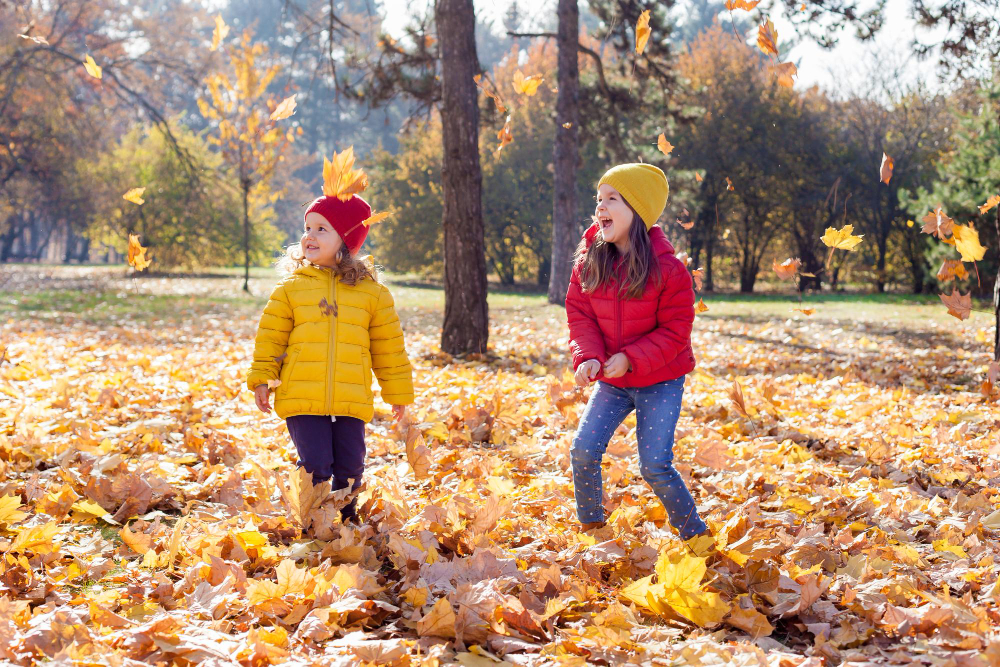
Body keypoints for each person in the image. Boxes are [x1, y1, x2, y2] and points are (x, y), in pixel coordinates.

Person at [565, 163, 709, 545]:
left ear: (638, 211)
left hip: (660, 380)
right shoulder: (589, 261)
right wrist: (588, 357)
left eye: (613, 199)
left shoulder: (670, 270)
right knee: (582, 451)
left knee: (655, 465)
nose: (601, 207)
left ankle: (695, 535)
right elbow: (579, 316)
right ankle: (594, 530)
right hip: (613, 381)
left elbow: (676, 331)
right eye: (599, 199)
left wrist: (630, 357)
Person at [248, 194, 413, 523]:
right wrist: (262, 377)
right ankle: (312, 523)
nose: (309, 236)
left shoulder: (373, 295)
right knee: (316, 464)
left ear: (346, 240)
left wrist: (398, 395)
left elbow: (389, 348)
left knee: (351, 465)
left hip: (351, 395)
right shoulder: (291, 289)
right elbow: (271, 338)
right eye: (307, 227)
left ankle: (347, 523)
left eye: (322, 229)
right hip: (301, 394)